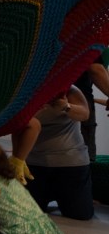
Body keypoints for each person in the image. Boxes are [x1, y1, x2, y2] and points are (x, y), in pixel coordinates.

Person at [16, 85, 94, 220]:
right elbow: (16, 127)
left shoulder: (69, 89)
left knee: (80, 215)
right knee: (26, 212)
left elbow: (85, 114)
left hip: (71, 164)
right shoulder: (25, 89)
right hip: (34, 164)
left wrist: (66, 106)